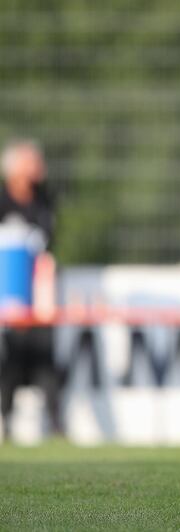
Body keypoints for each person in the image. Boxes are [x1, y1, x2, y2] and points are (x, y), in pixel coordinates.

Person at [0, 140, 62, 441]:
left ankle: (56, 424)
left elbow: (48, 247)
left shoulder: (45, 200)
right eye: (31, 162)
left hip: (38, 295)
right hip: (8, 297)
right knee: (11, 358)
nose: (38, 167)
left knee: (45, 357)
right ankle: (6, 424)